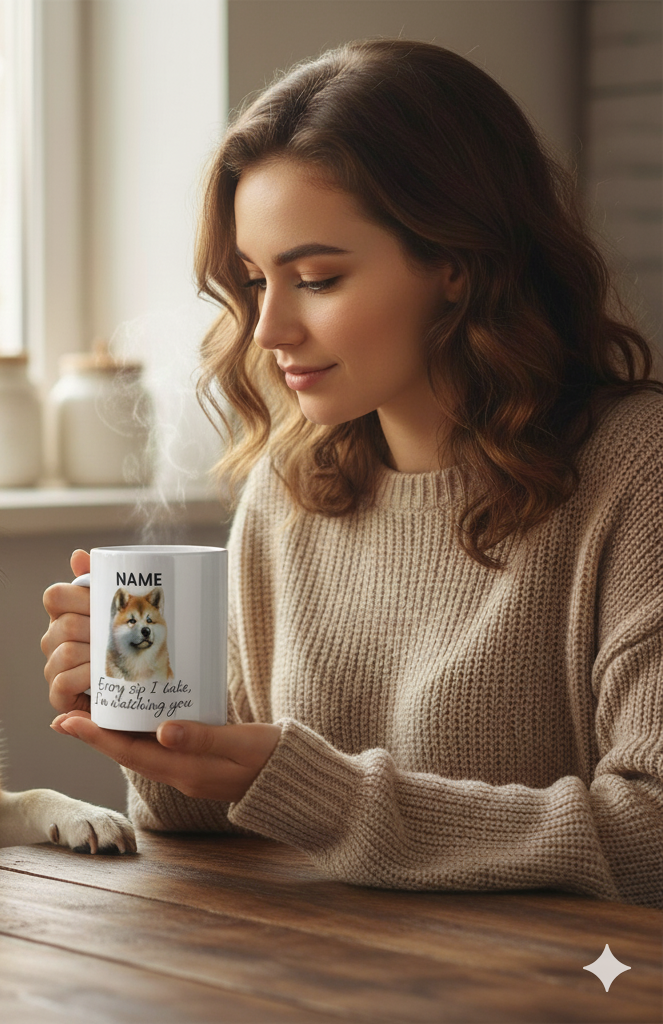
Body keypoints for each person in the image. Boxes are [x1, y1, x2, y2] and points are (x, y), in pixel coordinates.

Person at [40, 39, 663, 907]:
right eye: (254, 282)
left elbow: (652, 835)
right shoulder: (290, 490)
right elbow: (218, 818)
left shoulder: (637, 473)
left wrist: (314, 788)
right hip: (322, 980)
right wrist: (152, 727)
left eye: (318, 278)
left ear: (458, 262)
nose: (268, 329)